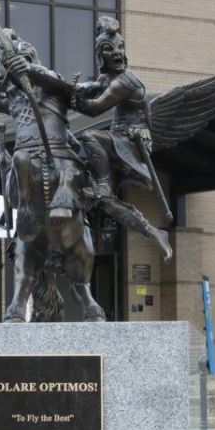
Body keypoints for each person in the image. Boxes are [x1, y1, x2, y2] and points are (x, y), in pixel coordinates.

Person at [72, 16, 173, 261]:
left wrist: (73, 99)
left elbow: (95, 108)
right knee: (107, 203)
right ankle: (154, 233)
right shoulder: (109, 78)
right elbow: (90, 87)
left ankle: (103, 185)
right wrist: (68, 88)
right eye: (109, 49)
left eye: (120, 48)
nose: (117, 53)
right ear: (100, 55)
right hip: (119, 138)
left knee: (88, 136)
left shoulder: (126, 82)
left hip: (130, 141)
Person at [0, 29, 83, 237]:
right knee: (18, 161)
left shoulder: (49, 82)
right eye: (11, 67)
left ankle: (92, 195)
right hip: (24, 152)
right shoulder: (13, 99)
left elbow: (60, 85)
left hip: (57, 148)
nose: (17, 69)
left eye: (22, 62)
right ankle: (24, 210)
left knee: (77, 167)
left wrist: (30, 69)